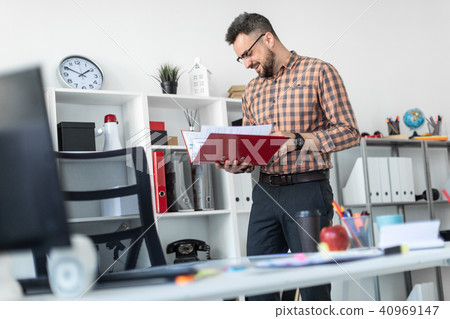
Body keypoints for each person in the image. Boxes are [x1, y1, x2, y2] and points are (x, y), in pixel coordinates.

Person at [217, 12, 361, 301]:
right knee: (258, 287)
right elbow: (253, 147)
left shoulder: (319, 72)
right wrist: (238, 163)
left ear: (268, 38)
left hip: (308, 192)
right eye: (240, 58)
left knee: (312, 287)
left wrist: (296, 141)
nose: (246, 63)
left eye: (248, 53)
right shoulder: (252, 90)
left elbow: (349, 132)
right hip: (264, 194)